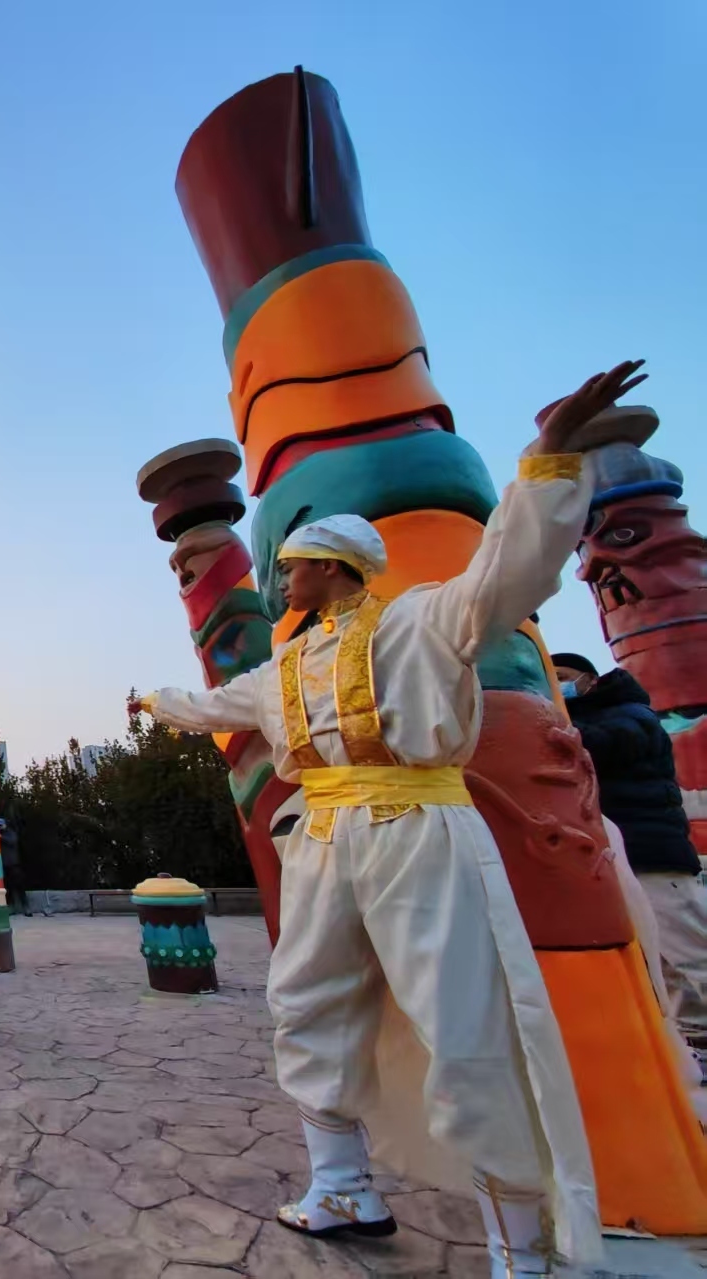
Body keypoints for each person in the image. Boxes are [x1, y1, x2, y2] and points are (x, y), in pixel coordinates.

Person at [130, 361, 649, 1277]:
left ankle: (518, 1248)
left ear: (333, 568)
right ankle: (341, 1188)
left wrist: (550, 465)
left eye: (292, 565)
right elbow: (222, 705)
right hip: (325, 843)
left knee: (464, 1021)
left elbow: (503, 572)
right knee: (305, 1002)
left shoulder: (420, 622)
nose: (281, 576)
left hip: (418, 829)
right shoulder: (289, 666)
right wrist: (153, 700)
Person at [553, 652, 707, 1051]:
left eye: (563, 676)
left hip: (653, 852)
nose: (557, 683)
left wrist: (557, 727)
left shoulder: (630, 713)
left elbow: (606, 744)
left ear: (590, 680)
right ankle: (698, 1037)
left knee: (692, 950)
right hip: (622, 855)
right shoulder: (595, 717)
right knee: (663, 960)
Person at [0, 817, 29, 917]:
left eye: (0, 825)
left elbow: (12, 841)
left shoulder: (10, 833)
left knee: (20, 886)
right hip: (4, 865)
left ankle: (26, 907)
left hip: (14, 864)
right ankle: (12, 907)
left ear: (5, 825)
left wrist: (0, 837)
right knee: (8, 888)